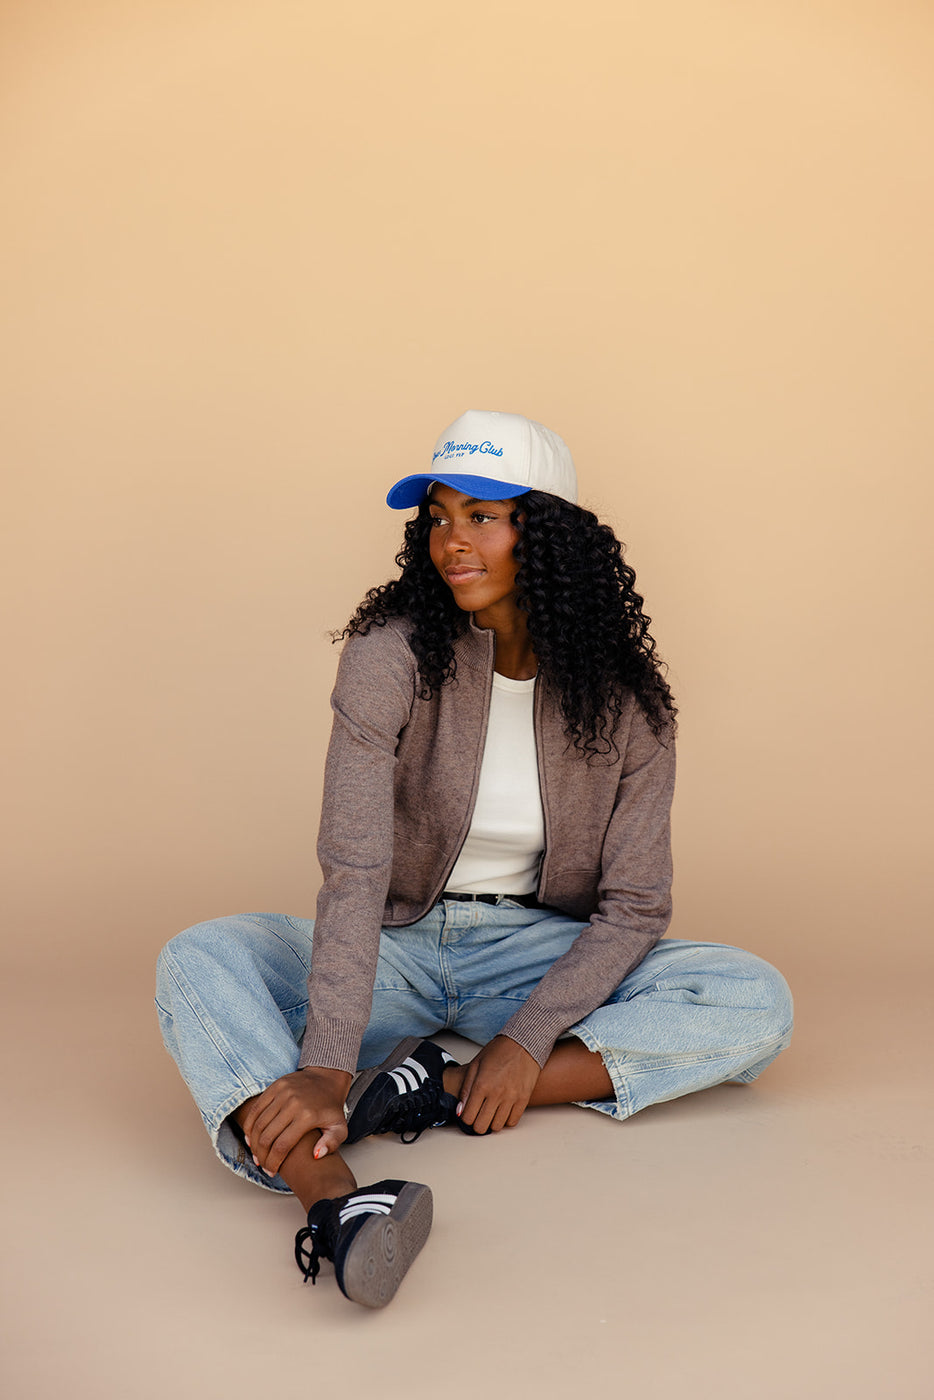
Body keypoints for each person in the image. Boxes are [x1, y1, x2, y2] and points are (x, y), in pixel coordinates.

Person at [156, 409, 793, 1308]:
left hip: (535, 952)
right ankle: (337, 1204)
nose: (451, 542)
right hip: (398, 945)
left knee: (753, 997)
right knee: (199, 958)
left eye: (481, 518)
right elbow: (355, 867)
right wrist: (330, 1063)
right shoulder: (390, 660)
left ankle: (432, 1090)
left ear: (548, 534)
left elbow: (637, 907)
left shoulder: (627, 707)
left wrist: (524, 1046)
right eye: (438, 518)